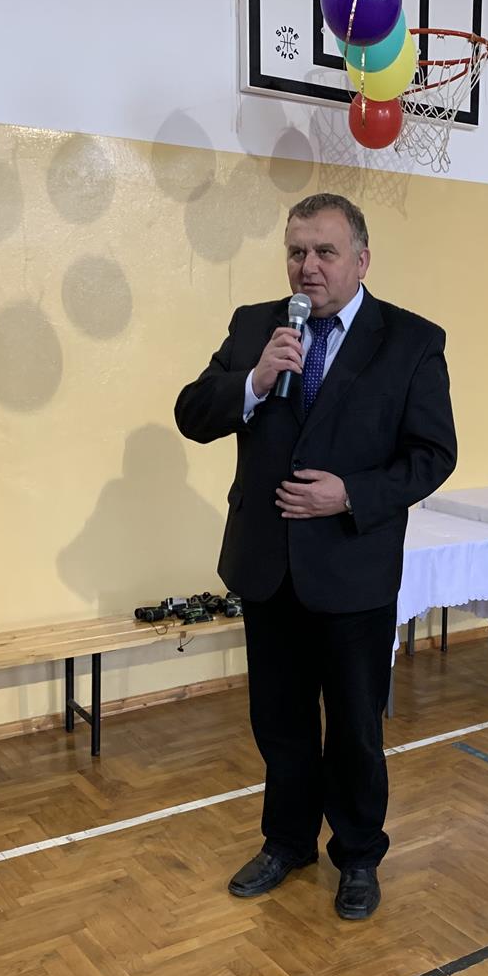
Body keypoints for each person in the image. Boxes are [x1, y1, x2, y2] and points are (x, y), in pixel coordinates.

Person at [174, 193, 457, 920]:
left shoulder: (411, 341)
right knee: (280, 722)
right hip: (268, 568)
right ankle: (287, 841)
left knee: (356, 727)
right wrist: (254, 382)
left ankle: (358, 856)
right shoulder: (255, 327)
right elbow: (192, 414)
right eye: (297, 251)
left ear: (361, 260)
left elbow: (433, 455)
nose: (308, 266)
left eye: (325, 252)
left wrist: (350, 494)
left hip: (353, 570)